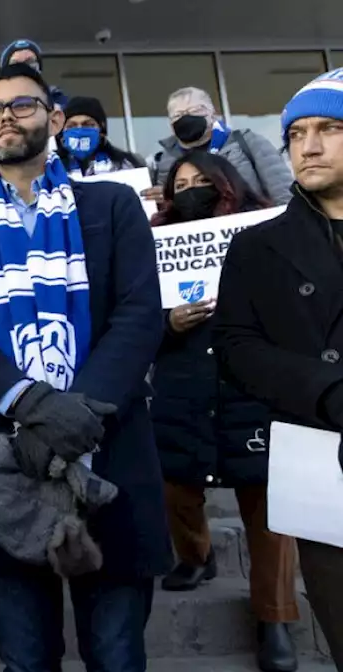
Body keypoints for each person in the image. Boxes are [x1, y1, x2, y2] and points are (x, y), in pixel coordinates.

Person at [0, 64, 170, 671]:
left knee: (116, 653)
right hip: (5, 457)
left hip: (107, 445)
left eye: (22, 105)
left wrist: (76, 412)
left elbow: (140, 314)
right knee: (25, 656)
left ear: (55, 120)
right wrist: (31, 405)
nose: (6, 117)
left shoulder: (112, 204)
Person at [213, 67, 343, 672]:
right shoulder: (256, 247)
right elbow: (238, 347)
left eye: (329, 129)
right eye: (296, 135)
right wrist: (326, 392)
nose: (308, 146)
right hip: (320, 464)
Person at [147, 150, 297, 672]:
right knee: (176, 489)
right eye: (179, 183)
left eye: (201, 181)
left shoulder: (267, 237)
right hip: (182, 389)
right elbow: (131, 319)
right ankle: (195, 555)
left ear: (227, 184)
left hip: (249, 387)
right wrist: (168, 322)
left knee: (269, 509)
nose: (190, 191)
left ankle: (274, 616)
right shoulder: (151, 246)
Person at [146, 86, 293, 206]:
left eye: (196, 110)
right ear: (170, 124)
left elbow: (282, 190)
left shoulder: (247, 142)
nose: (186, 117)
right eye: (178, 115)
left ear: (212, 114)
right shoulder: (162, 163)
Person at [58, 96, 144, 176]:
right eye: (71, 126)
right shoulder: (50, 166)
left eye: (87, 125)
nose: (79, 131)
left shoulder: (127, 164)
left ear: (101, 130)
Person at [0, 39, 69, 109]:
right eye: (16, 64)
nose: (24, 68)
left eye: (30, 61)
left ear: (39, 68)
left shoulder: (55, 96)